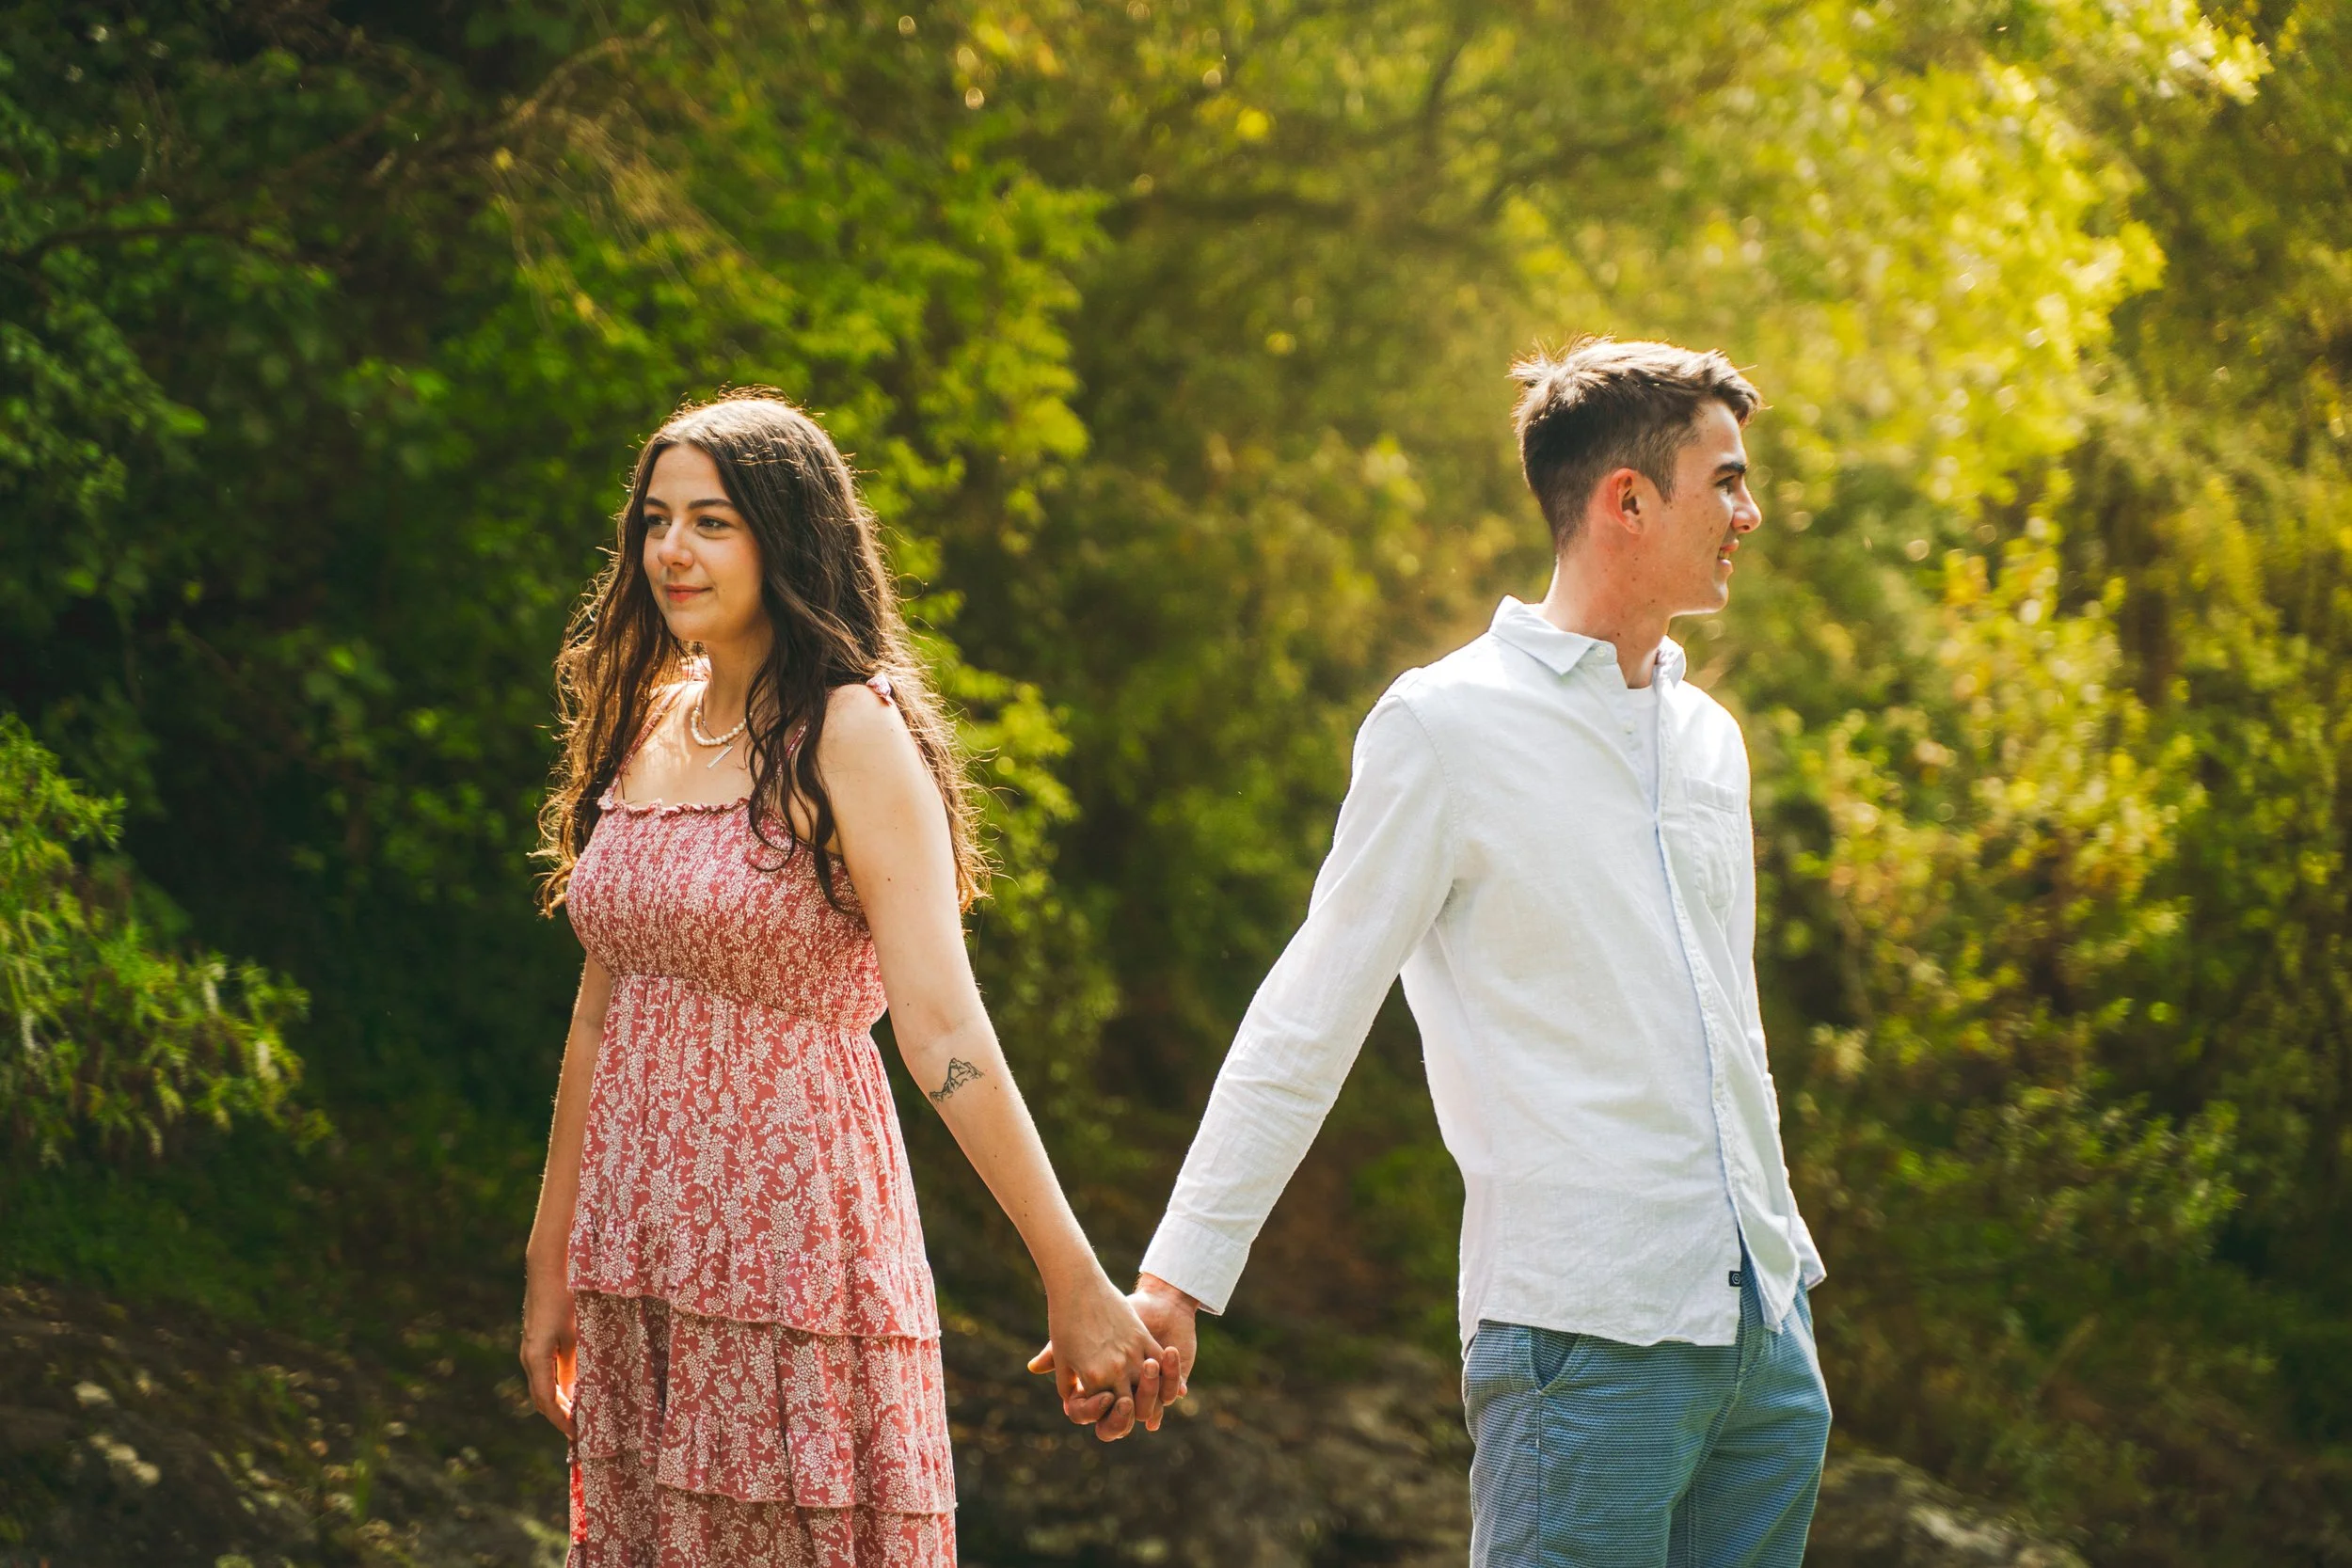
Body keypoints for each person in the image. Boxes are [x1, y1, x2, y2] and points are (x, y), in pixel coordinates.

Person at [1046, 337, 1832, 1565]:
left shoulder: (1711, 740)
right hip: (1586, 1341)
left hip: (1765, 1336)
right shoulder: (1445, 726)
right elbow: (1311, 1011)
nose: (1753, 510)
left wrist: (1777, 1291)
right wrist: (1177, 1280)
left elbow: (1730, 1030)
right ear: (1629, 499)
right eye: (1726, 480)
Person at [518, 393, 1171, 1567]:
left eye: (712, 521)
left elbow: (944, 1029)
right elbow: (599, 1005)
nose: (673, 550)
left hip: (788, 1237)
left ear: (787, 535)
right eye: (656, 520)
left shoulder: (850, 733)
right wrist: (550, 1250)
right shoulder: (649, 723)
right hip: (635, 1238)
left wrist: (1070, 1272)